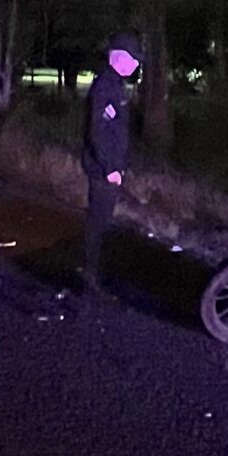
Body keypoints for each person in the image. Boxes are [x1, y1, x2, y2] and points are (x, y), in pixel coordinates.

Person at [80, 31, 142, 289]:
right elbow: (99, 132)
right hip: (103, 168)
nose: (137, 65)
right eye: (133, 59)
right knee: (98, 222)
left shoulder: (115, 85)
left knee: (102, 221)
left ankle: (93, 271)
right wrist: (110, 168)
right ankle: (89, 274)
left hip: (109, 167)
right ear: (118, 58)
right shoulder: (106, 86)